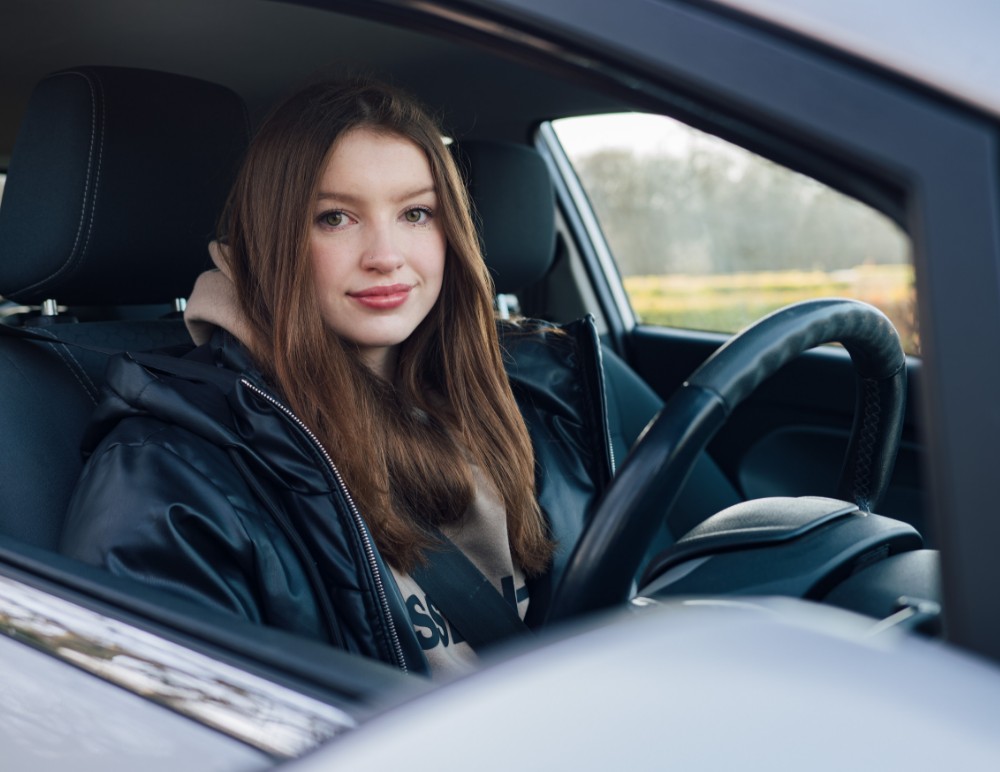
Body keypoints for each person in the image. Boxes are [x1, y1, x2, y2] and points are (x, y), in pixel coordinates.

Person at [60, 78, 612, 677]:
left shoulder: (532, 394)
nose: (385, 254)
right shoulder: (165, 474)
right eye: (335, 217)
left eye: (416, 213)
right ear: (271, 239)